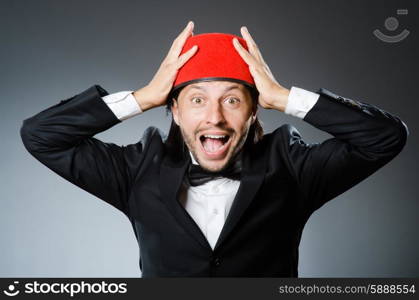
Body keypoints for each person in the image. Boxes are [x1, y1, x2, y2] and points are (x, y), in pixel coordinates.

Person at [20, 21, 408, 277]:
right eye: (197, 100)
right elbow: (41, 135)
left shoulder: (292, 167)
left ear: (255, 110)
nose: (215, 118)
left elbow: (385, 137)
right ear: (173, 110)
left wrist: (285, 97)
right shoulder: (138, 169)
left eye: (233, 101)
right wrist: (143, 97)